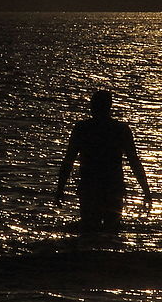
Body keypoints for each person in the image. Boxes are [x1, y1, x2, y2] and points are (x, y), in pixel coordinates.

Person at [56, 90, 152, 233]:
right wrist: (146, 190)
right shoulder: (121, 130)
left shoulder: (82, 129)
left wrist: (60, 189)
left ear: (93, 107)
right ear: (109, 107)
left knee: (89, 230)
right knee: (111, 231)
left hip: (90, 187)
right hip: (113, 187)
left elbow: (68, 160)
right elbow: (134, 162)